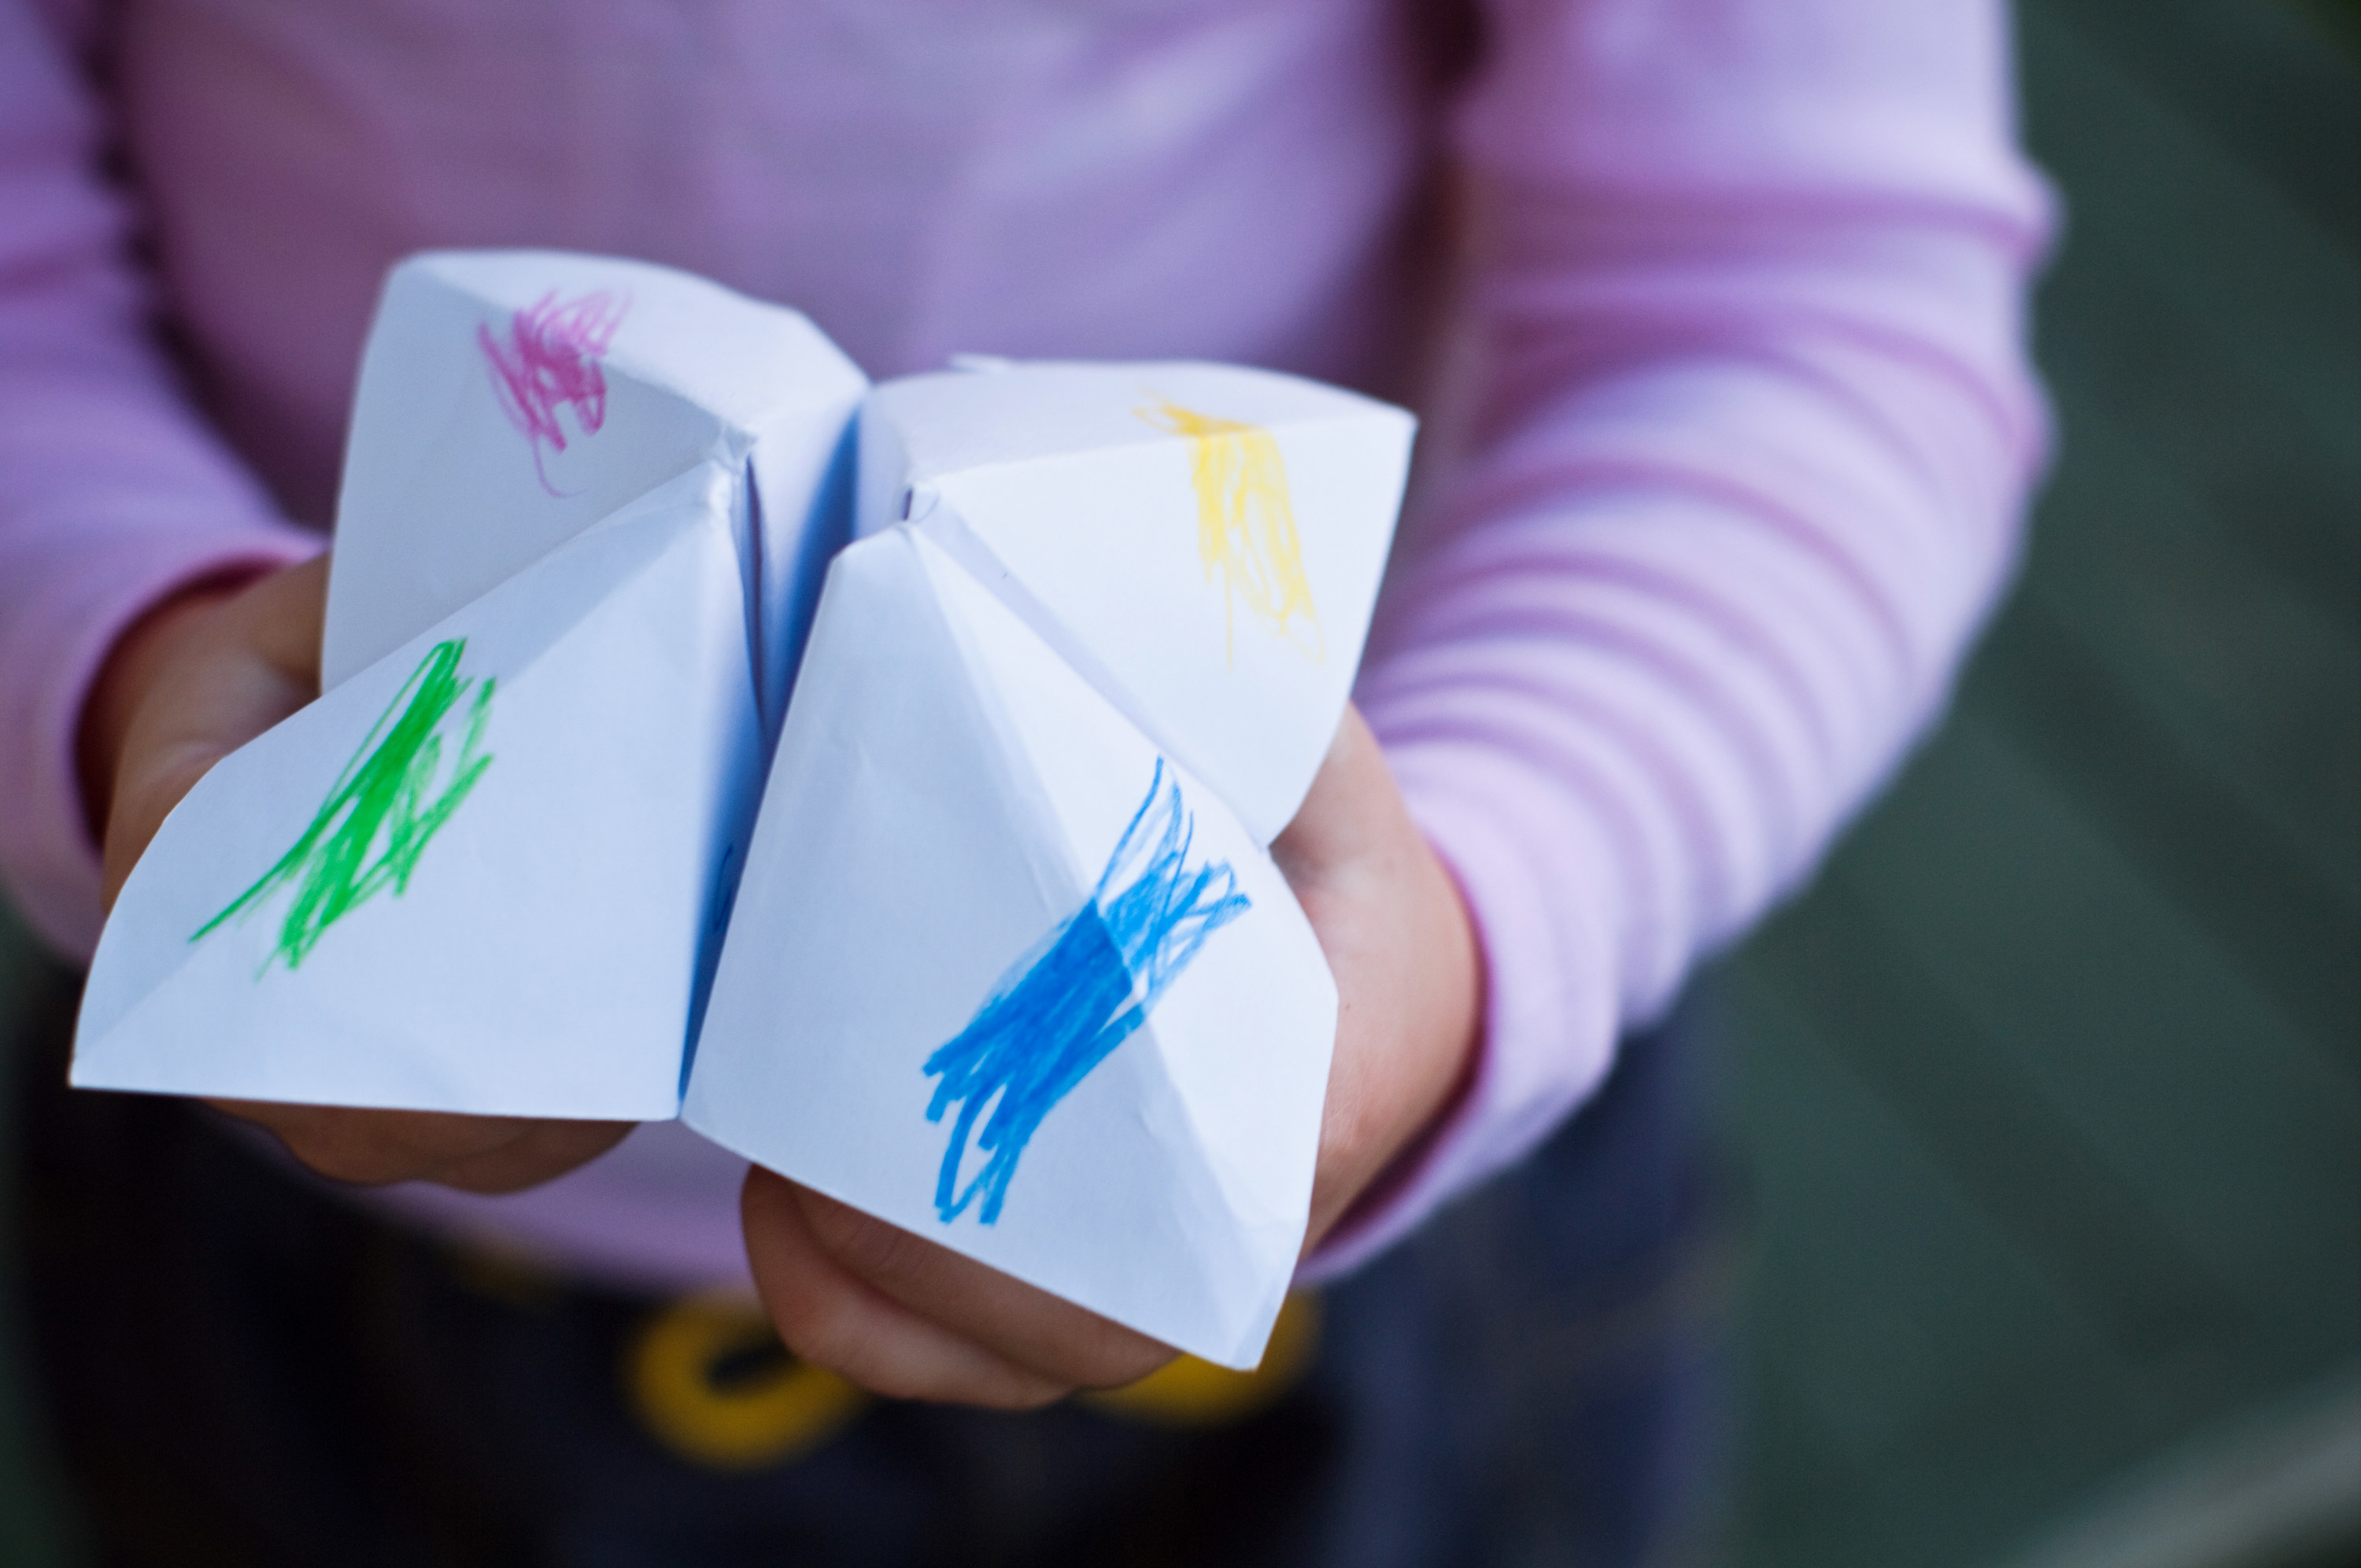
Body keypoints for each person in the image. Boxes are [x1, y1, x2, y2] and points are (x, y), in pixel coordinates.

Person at [0, 0, 2052, 1561]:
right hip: (301, 1199)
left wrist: (1482, 895)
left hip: (1308, 1132)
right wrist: (117, 653)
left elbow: (1799, 305)